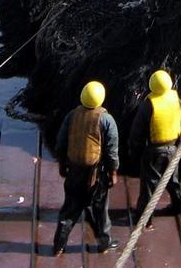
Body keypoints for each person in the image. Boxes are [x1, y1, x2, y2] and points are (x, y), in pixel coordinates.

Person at [53, 81, 120, 256]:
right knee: (100, 211)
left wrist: (62, 165)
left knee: (69, 210)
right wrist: (113, 172)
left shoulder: (72, 116)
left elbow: (60, 144)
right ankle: (104, 244)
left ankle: (58, 246)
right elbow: (112, 151)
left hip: (74, 173)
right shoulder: (106, 120)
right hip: (96, 175)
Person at [130, 70, 181, 223]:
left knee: (149, 186)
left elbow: (137, 131)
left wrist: (134, 150)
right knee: (173, 180)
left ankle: (144, 219)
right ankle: (179, 206)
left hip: (154, 151)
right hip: (173, 148)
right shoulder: (176, 99)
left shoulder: (148, 104)